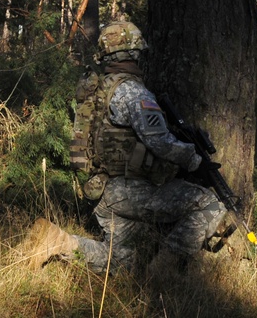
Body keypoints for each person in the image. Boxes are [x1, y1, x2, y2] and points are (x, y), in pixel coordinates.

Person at [22, 21, 226, 274]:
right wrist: (194, 160)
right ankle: (164, 274)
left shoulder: (98, 90)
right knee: (210, 204)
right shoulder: (133, 92)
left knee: (120, 263)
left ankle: (57, 242)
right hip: (130, 190)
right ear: (134, 53)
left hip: (102, 190)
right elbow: (159, 142)